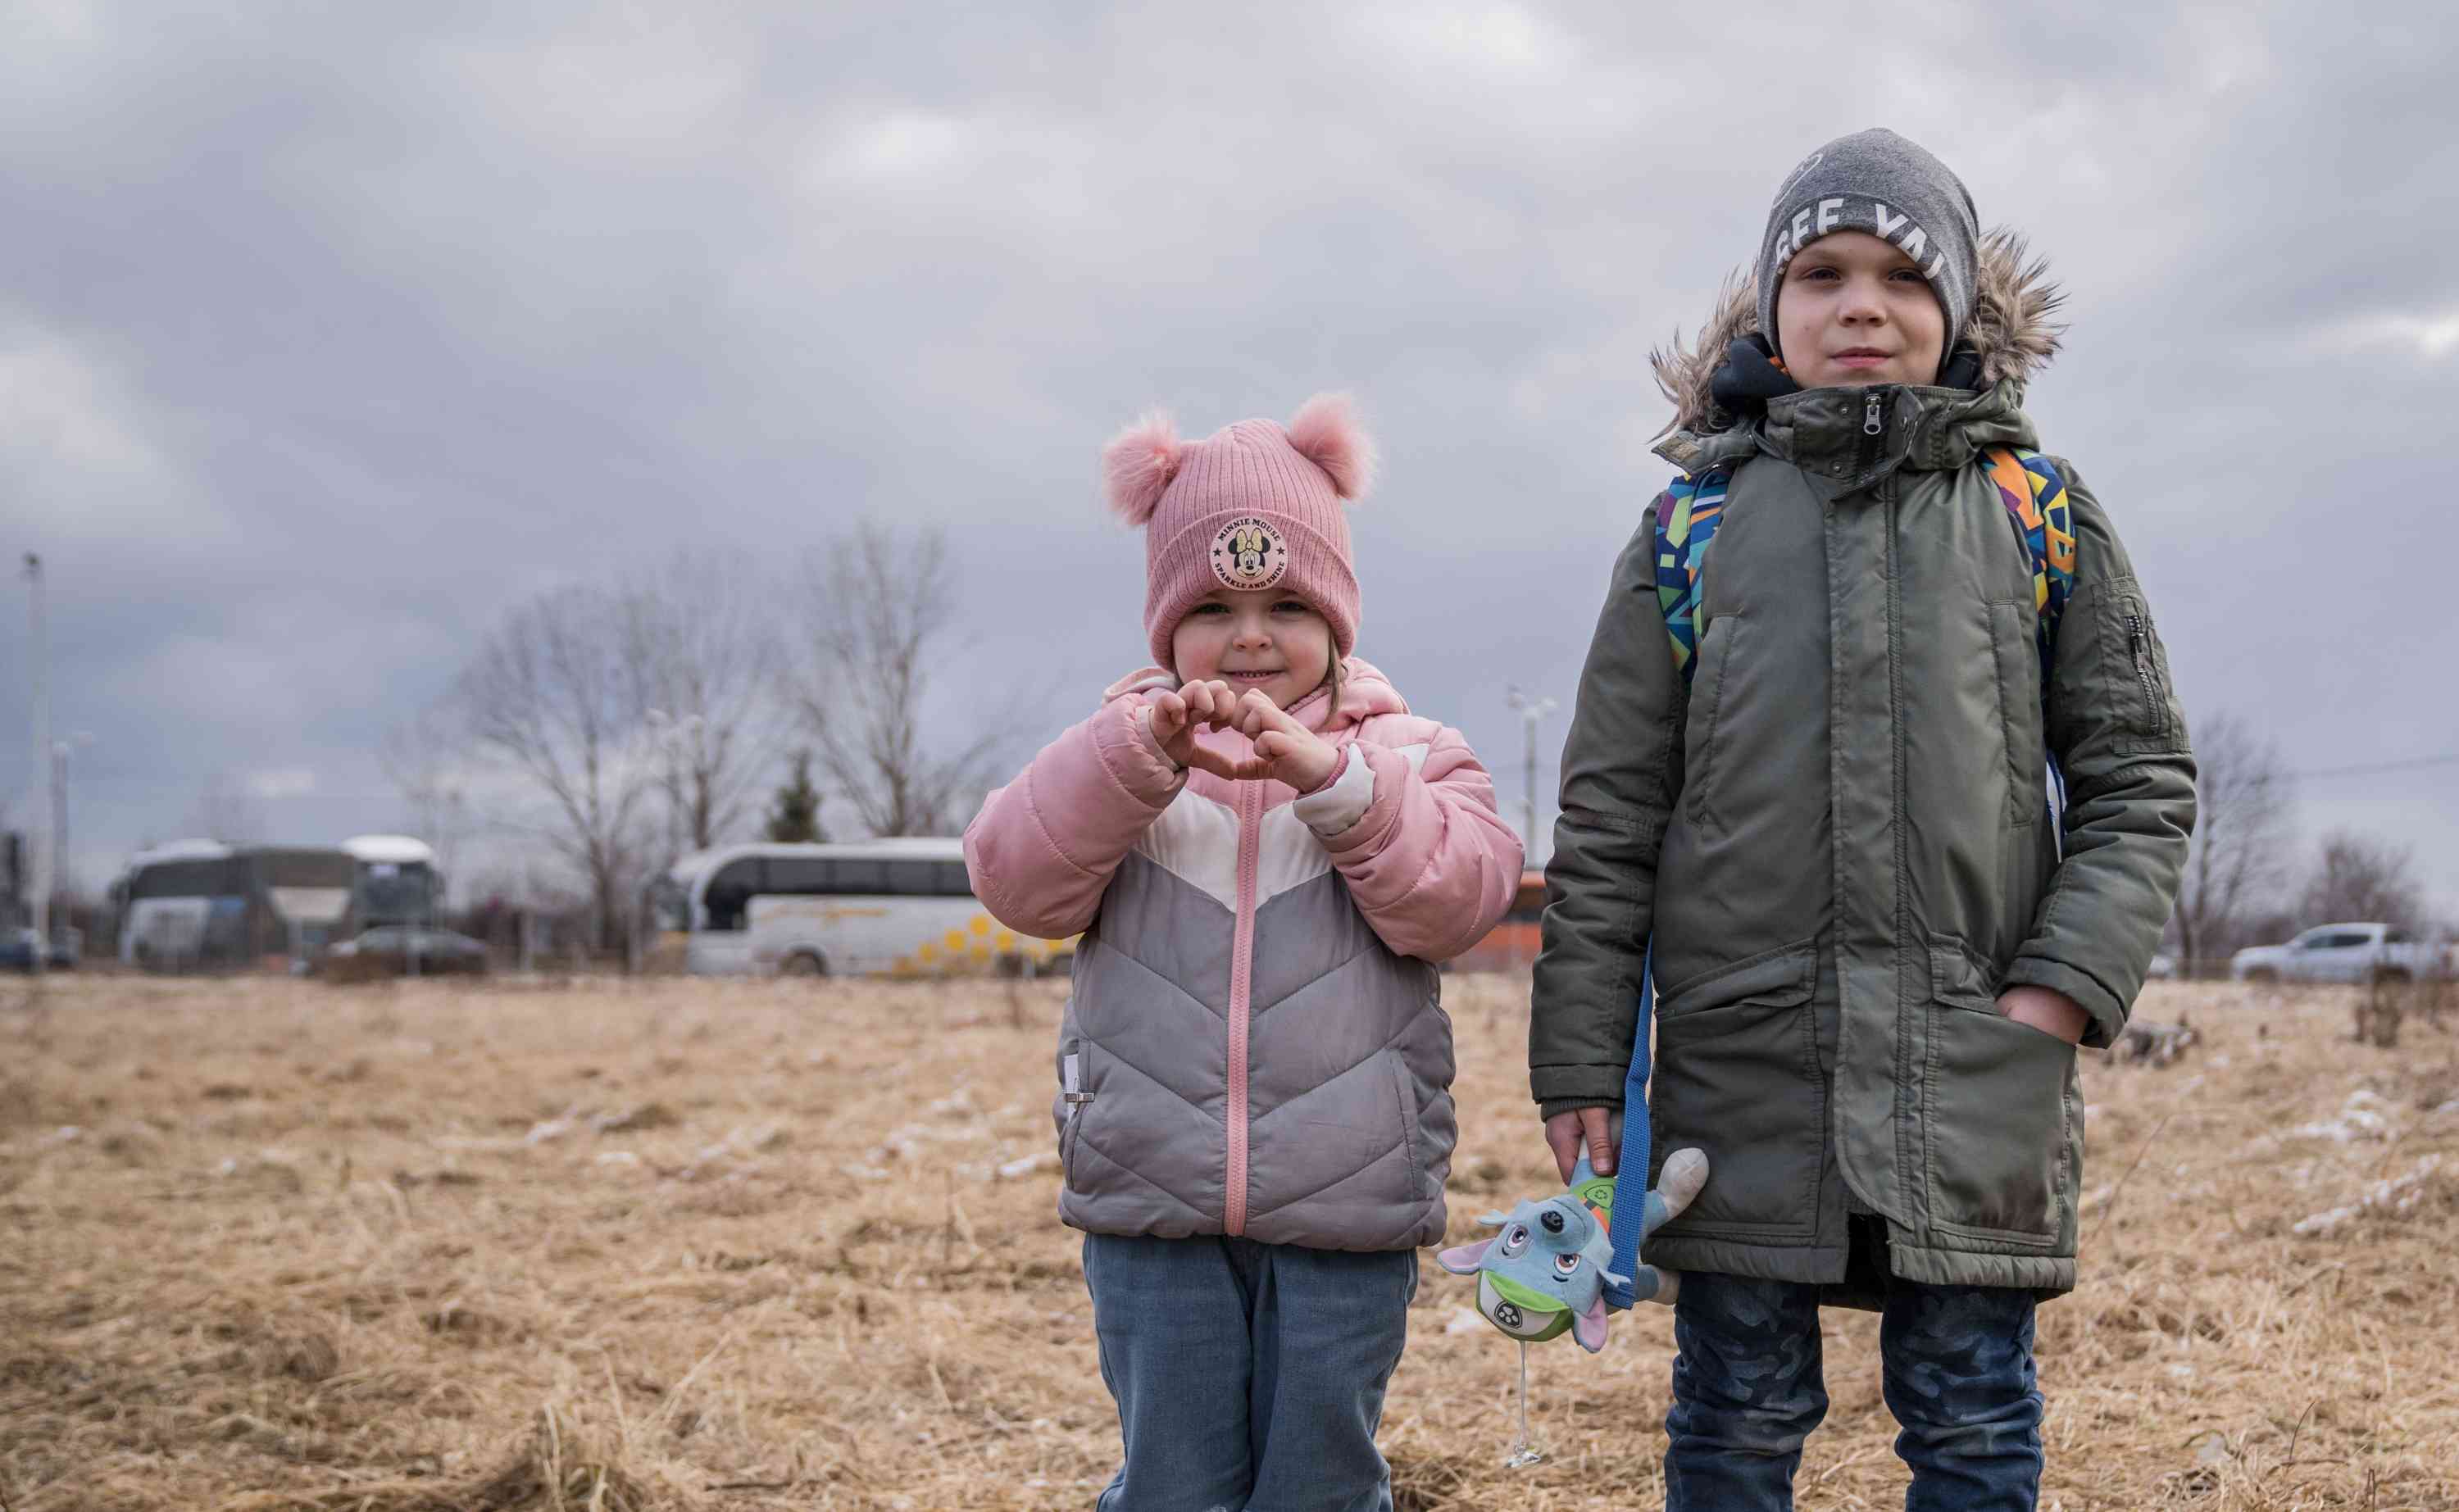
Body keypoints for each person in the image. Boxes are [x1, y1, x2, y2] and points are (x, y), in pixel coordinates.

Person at [1529, 127, 2197, 1510]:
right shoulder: (1688, 531)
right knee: (1733, 1418)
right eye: (1823, 270)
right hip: (1739, 1076)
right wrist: (1581, 1063)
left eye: (1902, 273)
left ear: (1955, 308)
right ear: (1772, 303)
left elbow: (2139, 777)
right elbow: (1606, 821)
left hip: (1976, 1069)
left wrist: (2059, 998)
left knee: (1971, 1420)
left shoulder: (2038, 514)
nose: (1861, 303)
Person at [965, 393, 1524, 1512]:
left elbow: (1457, 900)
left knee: (1320, 1476)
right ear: (1164, 622)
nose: (1253, 634)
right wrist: (1132, 762)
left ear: (1339, 614)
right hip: (1150, 1197)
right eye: (1214, 604)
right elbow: (1013, 880)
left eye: (1286, 603)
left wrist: (1338, 784)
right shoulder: (1121, 754)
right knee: (1172, 1477)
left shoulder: (1410, 752)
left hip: (1346, 1201)